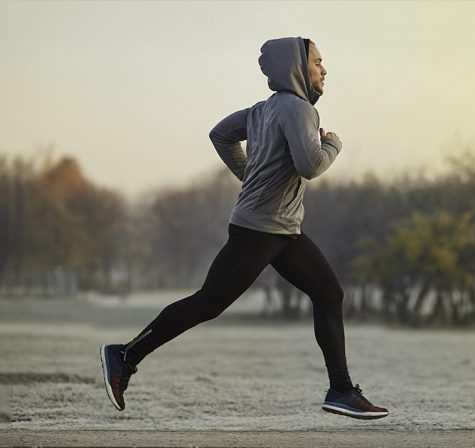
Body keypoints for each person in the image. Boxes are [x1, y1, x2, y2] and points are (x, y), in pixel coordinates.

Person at [99, 36, 389, 420]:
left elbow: (220, 133)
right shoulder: (300, 111)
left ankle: (341, 390)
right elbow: (310, 165)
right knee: (209, 302)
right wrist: (333, 145)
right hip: (260, 230)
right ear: (298, 67)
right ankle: (124, 356)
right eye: (318, 61)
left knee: (329, 294)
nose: (324, 69)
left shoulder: (263, 110)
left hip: (283, 231)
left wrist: (247, 174)